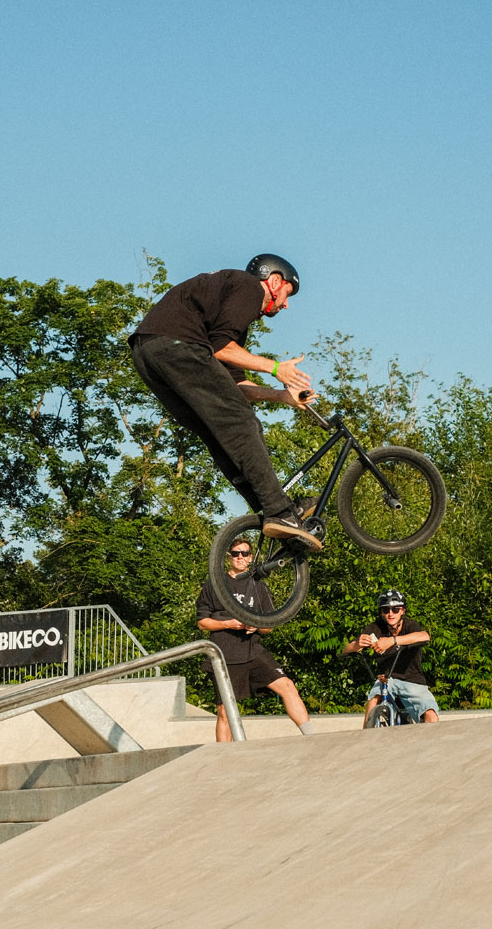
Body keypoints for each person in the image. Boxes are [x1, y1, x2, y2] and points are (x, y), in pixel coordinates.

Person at [129, 254, 322, 551]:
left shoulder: (228, 305)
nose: (286, 305)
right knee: (243, 423)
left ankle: (275, 511)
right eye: (287, 295)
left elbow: (234, 382)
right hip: (177, 344)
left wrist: (280, 395)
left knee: (218, 433)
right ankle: (281, 512)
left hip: (148, 353)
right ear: (273, 282)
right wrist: (275, 367)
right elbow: (219, 348)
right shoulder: (248, 287)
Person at [196, 536, 315, 741]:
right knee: (225, 711)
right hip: (225, 655)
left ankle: (313, 738)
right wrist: (228, 624)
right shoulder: (215, 583)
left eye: (245, 553)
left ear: (251, 557)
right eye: (236, 553)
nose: (240, 557)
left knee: (287, 686)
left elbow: (270, 625)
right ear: (229, 557)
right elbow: (202, 622)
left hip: (253, 651)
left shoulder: (258, 586)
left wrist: (257, 626)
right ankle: (224, 758)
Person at [342, 588, 440, 724]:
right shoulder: (376, 628)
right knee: (373, 699)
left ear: (403, 611)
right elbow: (345, 649)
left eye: (395, 609)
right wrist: (357, 645)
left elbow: (424, 636)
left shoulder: (410, 625)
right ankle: (367, 739)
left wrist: (392, 641)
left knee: (430, 713)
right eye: (385, 610)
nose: (390, 614)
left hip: (412, 680)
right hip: (386, 679)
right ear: (381, 613)